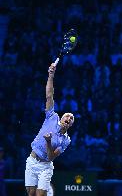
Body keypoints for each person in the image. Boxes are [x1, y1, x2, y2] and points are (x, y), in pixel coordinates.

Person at [25, 63, 74, 196]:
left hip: (45, 167)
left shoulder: (66, 140)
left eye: (71, 119)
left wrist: (48, 142)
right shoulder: (52, 116)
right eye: (67, 116)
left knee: (39, 195)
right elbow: (49, 95)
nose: (68, 118)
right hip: (32, 160)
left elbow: (51, 157)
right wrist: (51, 75)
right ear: (61, 118)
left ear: (70, 125)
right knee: (30, 193)